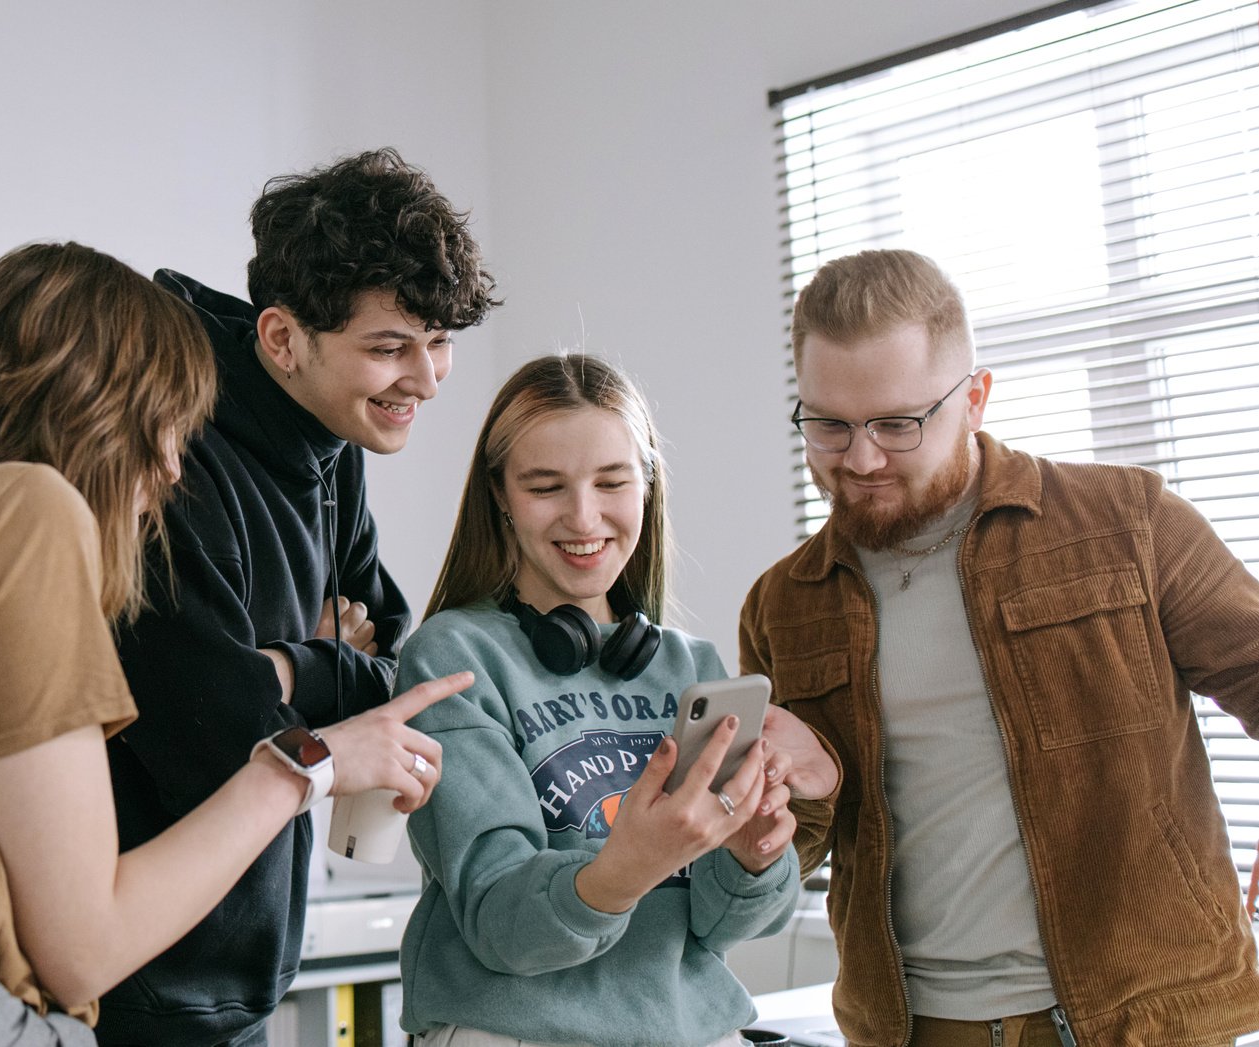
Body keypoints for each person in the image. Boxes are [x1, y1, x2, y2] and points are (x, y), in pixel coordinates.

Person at [0, 242, 467, 1047]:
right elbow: (84, 949)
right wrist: (316, 762)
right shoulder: (28, 509)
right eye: (167, 428)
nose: (171, 471)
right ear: (98, 409)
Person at [739, 248, 1259, 1047]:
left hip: (1148, 1022)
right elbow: (791, 837)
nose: (862, 458)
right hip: (916, 1029)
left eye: (896, 423)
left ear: (974, 398)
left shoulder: (1129, 522)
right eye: (829, 425)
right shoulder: (783, 605)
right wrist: (759, 821)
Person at [97, 148, 498, 1046]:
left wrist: (285, 667)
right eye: (389, 347)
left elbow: (395, 665)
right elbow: (216, 736)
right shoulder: (173, 454)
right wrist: (321, 668)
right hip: (136, 979)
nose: (426, 380)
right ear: (281, 338)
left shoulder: (335, 440)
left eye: (437, 344)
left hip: (246, 961)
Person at [393, 355, 840, 1047]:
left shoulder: (690, 666)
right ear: (500, 495)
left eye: (611, 482)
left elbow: (720, 930)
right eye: (545, 486)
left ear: (647, 484)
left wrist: (752, 855)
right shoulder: (454, 658)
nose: (583, 516)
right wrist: (628, 864)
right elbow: (498, 923)